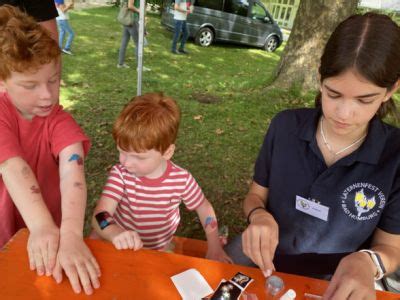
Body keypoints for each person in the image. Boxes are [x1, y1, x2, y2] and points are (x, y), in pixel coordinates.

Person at [225, 12, 400, 299]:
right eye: (333, 94)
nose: (344, 114)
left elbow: (391, 248)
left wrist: (367, 262)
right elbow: (255, 196)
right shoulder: (285, 126)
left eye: (364, 99)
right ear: (319, 78)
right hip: (265, 260)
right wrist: (259, 216)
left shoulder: (395, 156)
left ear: (391, 89)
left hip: (337, 279)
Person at [0, 5, 100, 295]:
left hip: (52, 234)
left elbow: (73, 170)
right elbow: (12, 167)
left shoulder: (56, 117)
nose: (46, 95)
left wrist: (70, 234)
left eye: (53, 80)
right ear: (2, 83)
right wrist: (42, 226)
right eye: (30, 85)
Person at [91, 93, 232, 263]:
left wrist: (215, 246)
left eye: (139, 157)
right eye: (121, 152)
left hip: (158, 248)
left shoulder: (181, 180)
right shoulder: (120, 175)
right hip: (117, 244)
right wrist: (114, 232)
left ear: (167, 152)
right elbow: (100, 215)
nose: (126, 162)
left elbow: (204, 208)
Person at [117, 0, 150, 71]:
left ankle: (120, 63)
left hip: (127, 19)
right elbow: (130, 5)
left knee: (124, 41)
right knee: (138, 43)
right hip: (132, 20)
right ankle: (139, 67)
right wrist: (139, 11)